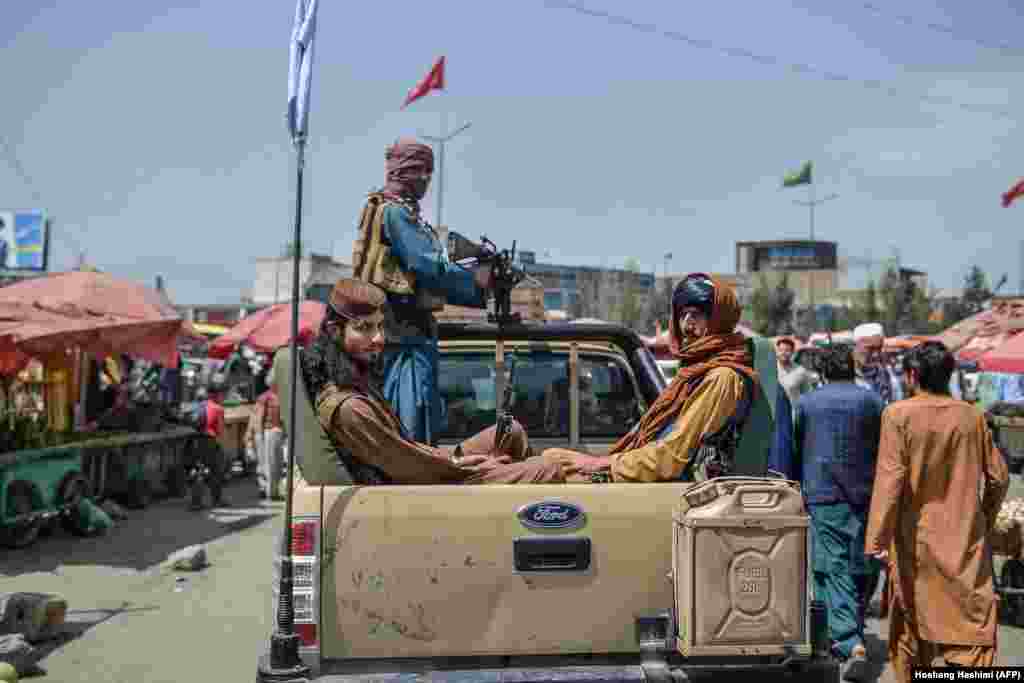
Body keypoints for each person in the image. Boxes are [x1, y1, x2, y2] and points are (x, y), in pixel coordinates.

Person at [300, 277, 565, 485]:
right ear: (335, 331)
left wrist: (457, 458)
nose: (379, 339)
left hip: (430, 470)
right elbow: (408, 468)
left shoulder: (356, 380)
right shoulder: (348, 408)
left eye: (380, 326)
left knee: (511, 431)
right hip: (422, 488)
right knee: (546, 469)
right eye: (364, 328)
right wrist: (468, 465)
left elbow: (407, 450)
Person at [865, 341, 1009, 681]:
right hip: (964, 543)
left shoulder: (897, 415)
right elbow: (1000, 477)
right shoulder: (971, 416)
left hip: (916, 544)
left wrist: (876, 541)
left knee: (913, 630)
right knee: (971, 629)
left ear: (912, 375)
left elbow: (889, 483)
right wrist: (983, 518)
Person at [542, 273, 759, 482]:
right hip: (645, 470)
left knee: (544, 471)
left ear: (718, 320)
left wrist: (602, 464)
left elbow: (670, 457)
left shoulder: (722, 377)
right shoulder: (696, 372)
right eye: (683, 315)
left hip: (666, 483)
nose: (686, 325)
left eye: (696, 315)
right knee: (550, 458)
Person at [351, 138, 494, 445]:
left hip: (406, 337)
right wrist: (478, 280)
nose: (427, 179)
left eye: (429, 171)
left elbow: (432, 274)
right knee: (411, 430)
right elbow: (427, 267)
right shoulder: (395, 213)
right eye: (421, 170)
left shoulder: (394, 210)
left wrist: (475, 288)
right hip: (405, 340)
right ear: (402, 171)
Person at [776, 344, 883, 681]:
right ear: (851, 367)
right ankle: (834, 636)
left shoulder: (807, 403)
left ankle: (851, 644)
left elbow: (795, 446)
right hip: (865, 495)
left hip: (822, 494)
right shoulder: (873, 401)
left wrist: (793, 485)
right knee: (852, 565)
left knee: (832, 566)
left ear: (821, 370)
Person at [248, 375, 284, 500]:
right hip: (269, 432)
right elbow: (258, 419)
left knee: (276, 464)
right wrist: (260, 437)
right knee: (269, 464)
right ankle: (270, 493)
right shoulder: (265, 397)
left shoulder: (279, 396)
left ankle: (272, 491)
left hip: (277, 432)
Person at [852, 323, 895, 405]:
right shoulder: (843, 378)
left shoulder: (887, 375)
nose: (876, 354)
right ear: (855, 347)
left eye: (879, 348)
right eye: (870, 349)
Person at [776, 337, 816, 407]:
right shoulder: (769, 369)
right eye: (780, 350)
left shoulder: (800, 371)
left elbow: (808, 395)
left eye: (787, 350)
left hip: (793, 414)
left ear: (792, 352)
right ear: (776, 351)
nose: (783, 353)